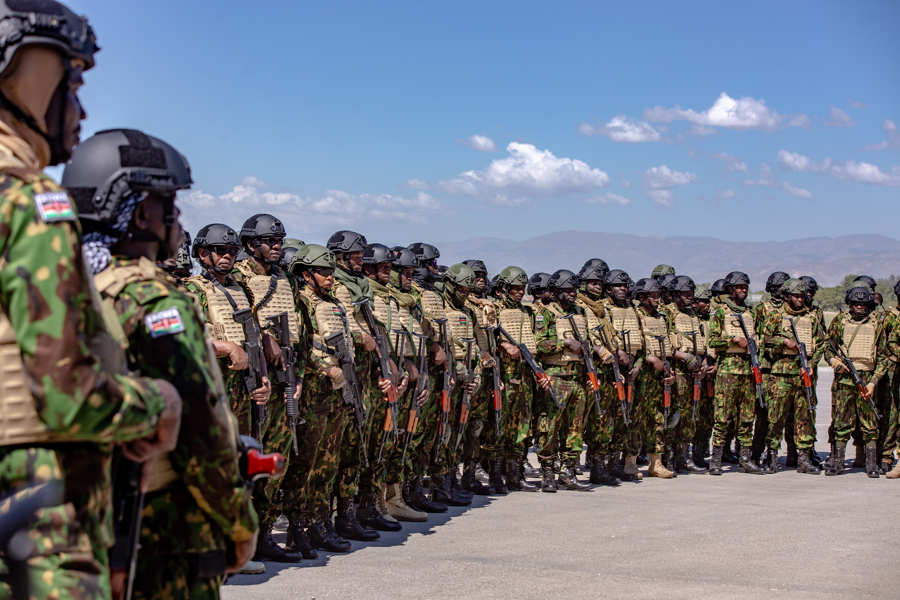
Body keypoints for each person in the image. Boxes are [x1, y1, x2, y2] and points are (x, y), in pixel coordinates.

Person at [1, 6, 181, 598]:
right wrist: (156, 403)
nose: (80, 113)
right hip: (34, 500)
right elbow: (66, 394)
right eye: (73, 84)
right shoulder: (31, 203)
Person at [66, 129, 258, 598]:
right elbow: (200, 427)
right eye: (170, 205)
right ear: (142, 212)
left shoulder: (61, 288)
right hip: (160, 532)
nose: (176, 219)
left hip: (79, 521)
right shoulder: (151, 298)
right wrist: (238, 521)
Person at [185, 224, 275, 575]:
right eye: (219, 250)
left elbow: (254, 338)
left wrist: (264, 377)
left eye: (230, 250)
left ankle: (237, 545)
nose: (226, 255)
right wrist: (223, 346)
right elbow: (184, 340)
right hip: (214, 389)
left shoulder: (242, 290)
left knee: (244, 464)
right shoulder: (192, 290)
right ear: (202, 254)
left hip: (246, 388)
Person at [232, 214, 310, 562]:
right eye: (271, 242)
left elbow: (301, 331)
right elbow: (240, 320)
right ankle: (239, 539)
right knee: (245, 461)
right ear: (252, 244)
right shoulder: (238, 278)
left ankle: (264, 534)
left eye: (280, 242)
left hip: (285, 381)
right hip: (250, 384)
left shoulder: (285, 280)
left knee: (276, 460)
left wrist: (301, 378)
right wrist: (265, 338)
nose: (277, 247)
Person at [534, 270, 595, 491]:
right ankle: (548, 472)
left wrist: (590, 375)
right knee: (549, 427)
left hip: (578, 377)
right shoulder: (545, 313)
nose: (572, 294)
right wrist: (565, 343)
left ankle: (568, 471)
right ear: (557, 292)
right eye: (567, 290)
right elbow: (538, 345)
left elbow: (586, 346)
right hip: (555, 377)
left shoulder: (580, 313)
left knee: (575, 428)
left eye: (574, 290)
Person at [759, 279, 825, 474]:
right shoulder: (775, 316)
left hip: (803, 373)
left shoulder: (812, 318)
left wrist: (812, 364)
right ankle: (771, 457)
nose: (800, 299)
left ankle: (804, 458)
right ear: (786, 296)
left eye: (802, 296)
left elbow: (821, 343)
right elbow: (765, 340)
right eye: (795, 296)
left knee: (804, 417)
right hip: (781, 374)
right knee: (776, 416)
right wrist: (784, 342)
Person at [824, 286, 889, 477]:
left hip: (866, 379)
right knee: (841, 422)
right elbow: (828, 346)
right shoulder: (840, 321)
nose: (859, 306)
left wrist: (873, 383)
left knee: (870, 424)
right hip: (844, 380)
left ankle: (871, 464)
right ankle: (838, 462)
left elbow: (884, 357)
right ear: (850, 304)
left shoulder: (877, 324)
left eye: (863, 303)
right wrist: (833, 361)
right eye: (855, 303)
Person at [707, 271, 765, 475]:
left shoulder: (752, 313)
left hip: (748, 371)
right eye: (740, 287)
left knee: (747, 418)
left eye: (745, 286)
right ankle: (715, 460)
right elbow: (712, 341)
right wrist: (733, 340)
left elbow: (760, 339)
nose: (743, 290)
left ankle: (745, 459)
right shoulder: (720, 312)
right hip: (728, 371)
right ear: (730, 289)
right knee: (722, 417)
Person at [631, 278, 678, 479]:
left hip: (660, 376)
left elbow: (668, 345)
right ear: (642, 297)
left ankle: (656, 463)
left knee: (658, 419)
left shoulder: (662, 318)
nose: (658, 300)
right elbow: (633, 345)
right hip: (642, 375)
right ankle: (630, 462)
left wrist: (670, 372)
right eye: (654, 296)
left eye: (658, 296)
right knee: (635, 419)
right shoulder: (635, 316)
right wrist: (651, 360)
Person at [604, 269, 643, 482]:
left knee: (629, 421)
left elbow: (643, 343)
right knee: (610, 420)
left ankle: (624, 463)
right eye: (618, 286)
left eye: (625, 286)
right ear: (609, 288)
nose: (622, 289)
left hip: (632, 375)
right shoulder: (603, 309)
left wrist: (637, 366)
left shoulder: (634, 311)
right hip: (613, 372)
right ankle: (606, 465)